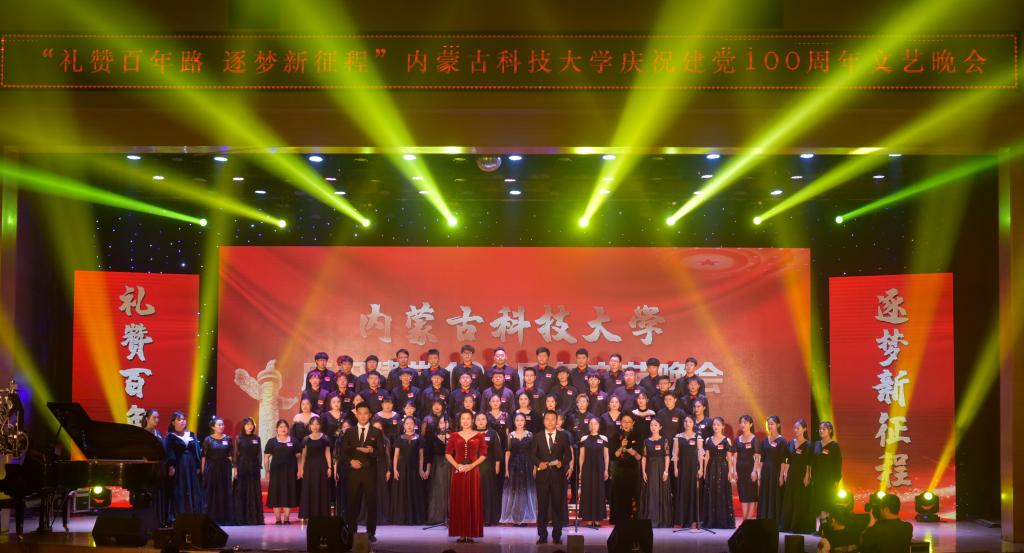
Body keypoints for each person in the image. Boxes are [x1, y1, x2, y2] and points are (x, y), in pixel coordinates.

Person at [340, 403, 385, 543]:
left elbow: (381, 453)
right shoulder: (349, 432)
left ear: (370, 415)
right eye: (360, 413)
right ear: (356, 415)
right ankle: (352, 531)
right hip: (353, 473)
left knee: (371, 503)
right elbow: (342, 452)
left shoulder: (376, 432)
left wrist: (371, 451)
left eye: (366, 413)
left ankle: (371, 532)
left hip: (370, 473)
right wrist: (351, 461)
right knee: (352, 503)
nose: (363, 416)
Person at [530, 410, 572, 545]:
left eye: (553, 419)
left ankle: (557, 535)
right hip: (542, 477)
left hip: (558, 477)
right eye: (547, 419)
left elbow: (568, 455)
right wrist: (539, 463)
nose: (550, 422)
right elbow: (532, 455)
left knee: (557, 507)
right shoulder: (537, 437)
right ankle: (542, 535)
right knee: (542, 507)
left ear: (557, 421)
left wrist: (562, 463)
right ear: (544, 421)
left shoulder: (563, 436)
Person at [446, 409, 488, 543]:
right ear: (460, 421)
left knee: (472, 500)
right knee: (459, 500)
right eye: (463, 418)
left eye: (468, 418)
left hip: (473, 472)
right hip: (458, 472)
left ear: (472, 420)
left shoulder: (479, 435)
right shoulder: (454, 435)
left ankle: (470, 533)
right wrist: (457, 465)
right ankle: (460, 533)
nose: (465, 421)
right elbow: (448, 453)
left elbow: (483, 455)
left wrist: (472, 465)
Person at [500, 412, 537, 526]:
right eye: (517, 420)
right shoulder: (510, 435)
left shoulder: (530, 435)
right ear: (514, 422)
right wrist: (506, 469)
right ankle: (515, 518)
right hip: (514, 465)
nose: (519, 422)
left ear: (525, 422)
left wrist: (535, 467)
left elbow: (534, 452)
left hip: (527, 465)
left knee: (525, 490)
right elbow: (507, 453)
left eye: (521, 420)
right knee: (514, 490)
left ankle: (525, 517)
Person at [164, 411, 202, 520]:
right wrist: (171, 466)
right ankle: (179, 515)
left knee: (192, 488)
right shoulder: (171, 436)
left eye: (183, 419)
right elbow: (169, 451)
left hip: (191, 466)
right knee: (180, 489)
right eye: (179, 419)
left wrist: (198, 465)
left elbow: (196, 451)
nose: (182, 421)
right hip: (179, 467)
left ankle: (193, 514)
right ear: (173, 422)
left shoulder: (191, 435)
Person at [780, 418, 815, 534]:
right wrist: (785, 473)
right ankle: (787, 525)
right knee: (789, 499)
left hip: (802, 474)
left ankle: (796, 526)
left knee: (799, 500)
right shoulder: (790, 443)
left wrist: (807, 476)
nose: (796, 430)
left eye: (798, 428)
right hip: (791, 474)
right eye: (794, 428)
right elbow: (787, 460)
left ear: (804, 429)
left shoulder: (809, 445)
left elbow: (809, 462)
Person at [390, 416, 427, 525]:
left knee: (414, 491)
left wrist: (421, 469)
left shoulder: (420, 438)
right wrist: (395, 469)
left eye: (411, 423)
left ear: (415, 425)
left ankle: (414, 518)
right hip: (402, 468)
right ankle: (402, 517)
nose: (409, 425)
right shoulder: (399, 438)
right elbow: (396, 455)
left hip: (414, 468)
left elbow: (421, 455)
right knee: (402, 492)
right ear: (404, 425)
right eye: (407, 423)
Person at [701, 416, 736, 529]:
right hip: (711, 468)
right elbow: (707, 457)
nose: (715, 427)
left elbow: (729, 458)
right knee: (711, 492)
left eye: (718, 425)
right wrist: (705, 471)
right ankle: (710, 521)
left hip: (723, 468)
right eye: (714, 425)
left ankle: (723, 521)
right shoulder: (708, 440)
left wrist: (730, 471)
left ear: (722, 427)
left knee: (722, 492)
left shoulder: (727, 440)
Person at [639, 418, 673, 528]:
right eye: (651, 425)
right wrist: (643, 472)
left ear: (660, 427)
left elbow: (667, 456)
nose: (653, 427)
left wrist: (666, 471)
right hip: (650, 469)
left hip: (661, 469)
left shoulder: (664, 441)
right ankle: (651, 519)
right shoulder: (646, 441)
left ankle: (662, 520)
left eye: (655, 425)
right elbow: (644, 457)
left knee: (661, 492)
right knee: (651, 493)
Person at [610, 413, 642, 525]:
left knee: (632, 494)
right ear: (620, 423)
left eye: (629, 422)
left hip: (632, 470)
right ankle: (618, 520)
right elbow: (614, 455)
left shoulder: (638, 435)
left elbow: (639, 457)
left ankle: (632, 518)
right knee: (618, 495)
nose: (626, 424)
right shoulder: (615, 436)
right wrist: (622, 446)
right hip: (618, 470)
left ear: (633, 423)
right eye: (624, 421)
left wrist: (632, 452)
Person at [265, 419, 299, 524]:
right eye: (281, 427)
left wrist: (299, 470)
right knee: (276, 493)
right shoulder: (272, 441)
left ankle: (287, 518)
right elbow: (266, 457)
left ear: (288, 429)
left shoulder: (294, 441)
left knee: (288, 493)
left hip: (290, 471)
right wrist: (267, 471)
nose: (283, 429)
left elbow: (299, 457)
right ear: (277, 429)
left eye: (285, 427)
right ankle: (278, 519)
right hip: (276, 471)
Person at [201, 417, 233, 525]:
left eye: (222, 424)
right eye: (219, 425)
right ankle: (211, 518)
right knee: (212, 492)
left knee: (223, 492)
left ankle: (224, 517)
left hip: (224, 468)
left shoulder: (228, 439)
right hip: (211, 468)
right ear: (213, 427)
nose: (221, 426)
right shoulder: (208, 439)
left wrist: (232, 468)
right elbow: (204, 457)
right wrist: (203, 471)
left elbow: (231, 455)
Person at [577, 417, 608, 528]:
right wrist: (581, 470)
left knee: (599, 491)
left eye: (595, 424)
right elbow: (581, 456)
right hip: (587, 468)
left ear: (599, 425)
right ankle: (588, 518)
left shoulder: (603, 438)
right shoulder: (584, 438)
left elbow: (606, 456)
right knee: (587, 491)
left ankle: (598, 518)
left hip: (599, 467)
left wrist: (606, 470)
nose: (593, 426)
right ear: (588, 425)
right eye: (591, 424)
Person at [672, 415, 702, 529]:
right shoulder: (678, 437)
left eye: (689, 422)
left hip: (693, 468)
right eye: (685, 421)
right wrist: (675, 468)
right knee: (682, 491)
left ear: (693, 424)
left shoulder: (698, 437)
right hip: (683, 467)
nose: (687, 423)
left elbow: (700, 454)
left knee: (693, 492)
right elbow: (675, 454)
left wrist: (701, 468)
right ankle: (681, 519)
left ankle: (693, 520)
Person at [299, 416, 332, 520]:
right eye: (313, 424)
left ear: (320, 425)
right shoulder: (306, 439)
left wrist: (329, 467)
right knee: (309, 489)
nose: (315, 426)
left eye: (317, 424)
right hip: (309, 467)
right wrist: (302, 468)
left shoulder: (325, 438)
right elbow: (304, 455)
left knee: (322, 489)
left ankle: (321, 514)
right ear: (309, 426)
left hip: (322, 466)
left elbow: (327, 452)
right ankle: (308, 514)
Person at [813, 421, 843, 531]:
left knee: (827, 503)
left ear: (830, 430)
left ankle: (826, 529)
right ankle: (820, 528)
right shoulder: (816, 444)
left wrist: (837, 480)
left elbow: (838, 464)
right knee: (818, 503)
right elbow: (812, 462)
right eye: (820, 429)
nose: (821, 431)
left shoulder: (834, 446)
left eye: (824, 429)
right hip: (817, 479)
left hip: (829, 480)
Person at [475, 412, 504, 526]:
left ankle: (487, 518)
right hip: (474, 466)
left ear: (486, 421)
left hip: (489, 466)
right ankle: (476, 517)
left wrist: (497, 464)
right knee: (476, 491)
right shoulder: (471, 433)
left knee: (488, 491)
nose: (481, 421)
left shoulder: (492, 433)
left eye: (483, 419)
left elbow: (497, 450)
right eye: (478, 419)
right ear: (474, 421)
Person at [233, 416, 263, 525]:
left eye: (251, 425)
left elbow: (259, 453)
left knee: (254, 491)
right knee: (242, 491)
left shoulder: (257, 438)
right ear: (244, 426)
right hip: (242, 466)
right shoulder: (239, 438)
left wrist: (259, 466)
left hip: (254, 467)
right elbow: (235, 454)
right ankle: (241, 518)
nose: (250, 427)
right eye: (247, 425)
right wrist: (235, 468)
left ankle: (254, 518)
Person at [758, 415, 787, 526]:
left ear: (778, 425)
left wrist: (781, 476)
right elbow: (762, 459)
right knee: (765, 495)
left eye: (772, 424)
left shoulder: (782, 441)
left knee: (775, 495)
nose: (770, 426)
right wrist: (760, 474)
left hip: (776, 471)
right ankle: (764, 520)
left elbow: (783, 460)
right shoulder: (765, 440)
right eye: (768, 424)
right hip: (766, 471)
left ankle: (775, 521)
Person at [425, 416, 453, 525]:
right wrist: (427, 470)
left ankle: (450, 516)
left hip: (450, 465)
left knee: (450, 489)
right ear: (438, 424)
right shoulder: (433, 437)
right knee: (438, 490)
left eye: (445, 422)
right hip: (437, 466)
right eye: (441, 422)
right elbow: (429, 455)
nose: (443, 424)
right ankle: (438, 517)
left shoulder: (454, 436)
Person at [735, 414, 762, 521]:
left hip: (751, 470)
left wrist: (754, 471)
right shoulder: (737, 439)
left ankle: (748, 519)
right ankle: (745, 519)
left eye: (745, 422)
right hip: (740, 471)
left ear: (750, 424)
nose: (742, 424)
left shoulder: (755, 439)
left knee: (751, 494)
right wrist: (735, 471)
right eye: (741, 422)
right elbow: (735, 457)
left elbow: (757, 457)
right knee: (743, 495)